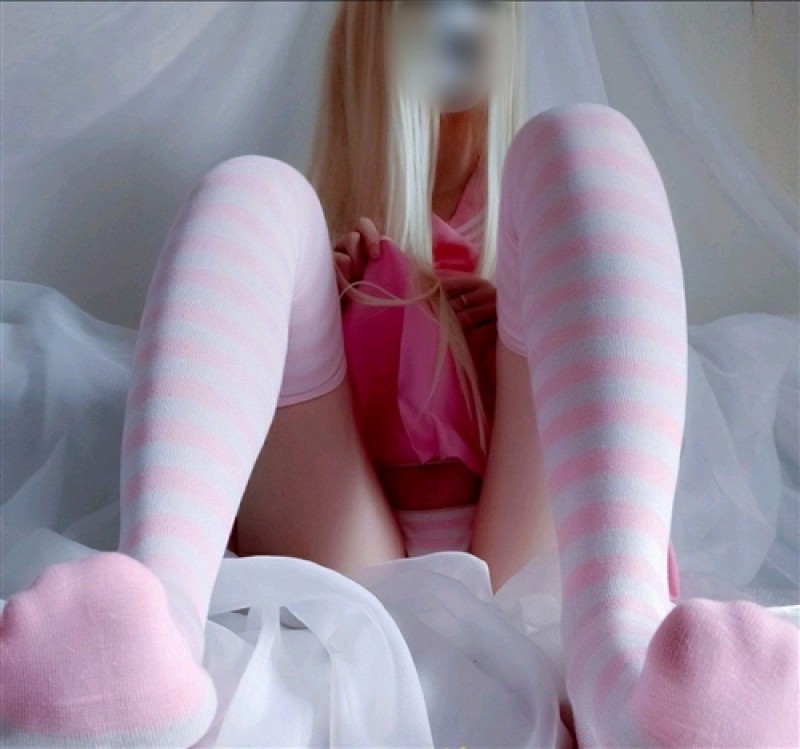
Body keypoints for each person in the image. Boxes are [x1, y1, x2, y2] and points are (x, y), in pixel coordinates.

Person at [1, 2, 797, 748]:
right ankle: (154, 628)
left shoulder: (527, 226)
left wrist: (510, 347)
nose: (458, 31)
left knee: (585, 143)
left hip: (526, 565)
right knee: (252, 191)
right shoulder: (324, 239)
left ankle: (622, 648)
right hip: (350, 561)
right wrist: (333, 328)